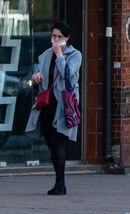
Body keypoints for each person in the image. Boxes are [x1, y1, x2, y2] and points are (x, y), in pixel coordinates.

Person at [26, 21, 82, 196]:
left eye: (60, 36)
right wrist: (36, 78)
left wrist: (59, 56)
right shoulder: (45, 55)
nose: (56, 40)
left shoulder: (75, 55)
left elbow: (67, 74)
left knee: (58, 142)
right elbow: (38, 79)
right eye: (54, 36)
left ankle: (61, 183)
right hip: (47, 105)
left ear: (67, 38)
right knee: (51, 143)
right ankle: (58, 181)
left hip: (63, 106)